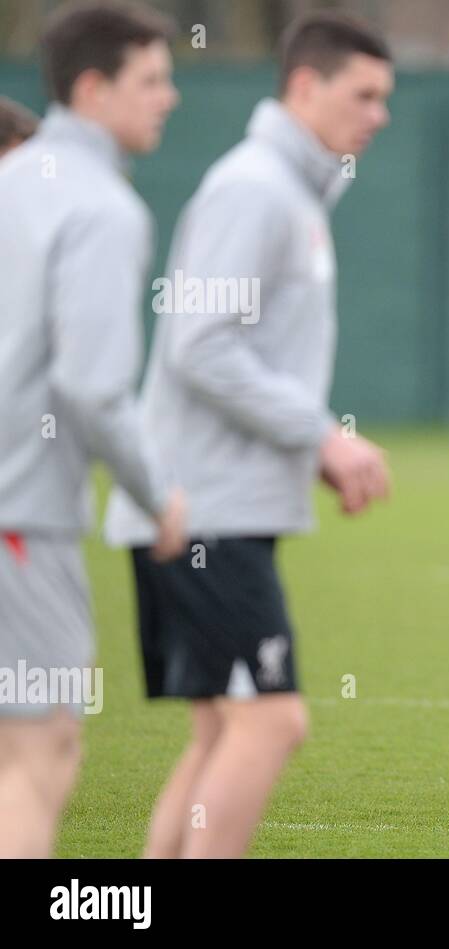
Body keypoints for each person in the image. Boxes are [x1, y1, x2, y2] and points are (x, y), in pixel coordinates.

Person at [104, 11, 394, 858]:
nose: (379, 114)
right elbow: (199, 343)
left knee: (220, 733)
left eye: (387, 98)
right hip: (204, 516)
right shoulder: (255, 187)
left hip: (211, 509)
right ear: (305, 87)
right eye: (363, 94)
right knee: (271, 724)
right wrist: (323, 439)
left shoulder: (291, 187)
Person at [0, 0, 186, 857]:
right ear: (91, 88)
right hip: (19, 516)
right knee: (40, 749)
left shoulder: (11, 178)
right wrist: (158, 496)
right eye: (150, 79)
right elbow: (90, 385)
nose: (169, 97)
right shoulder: (101, 206)